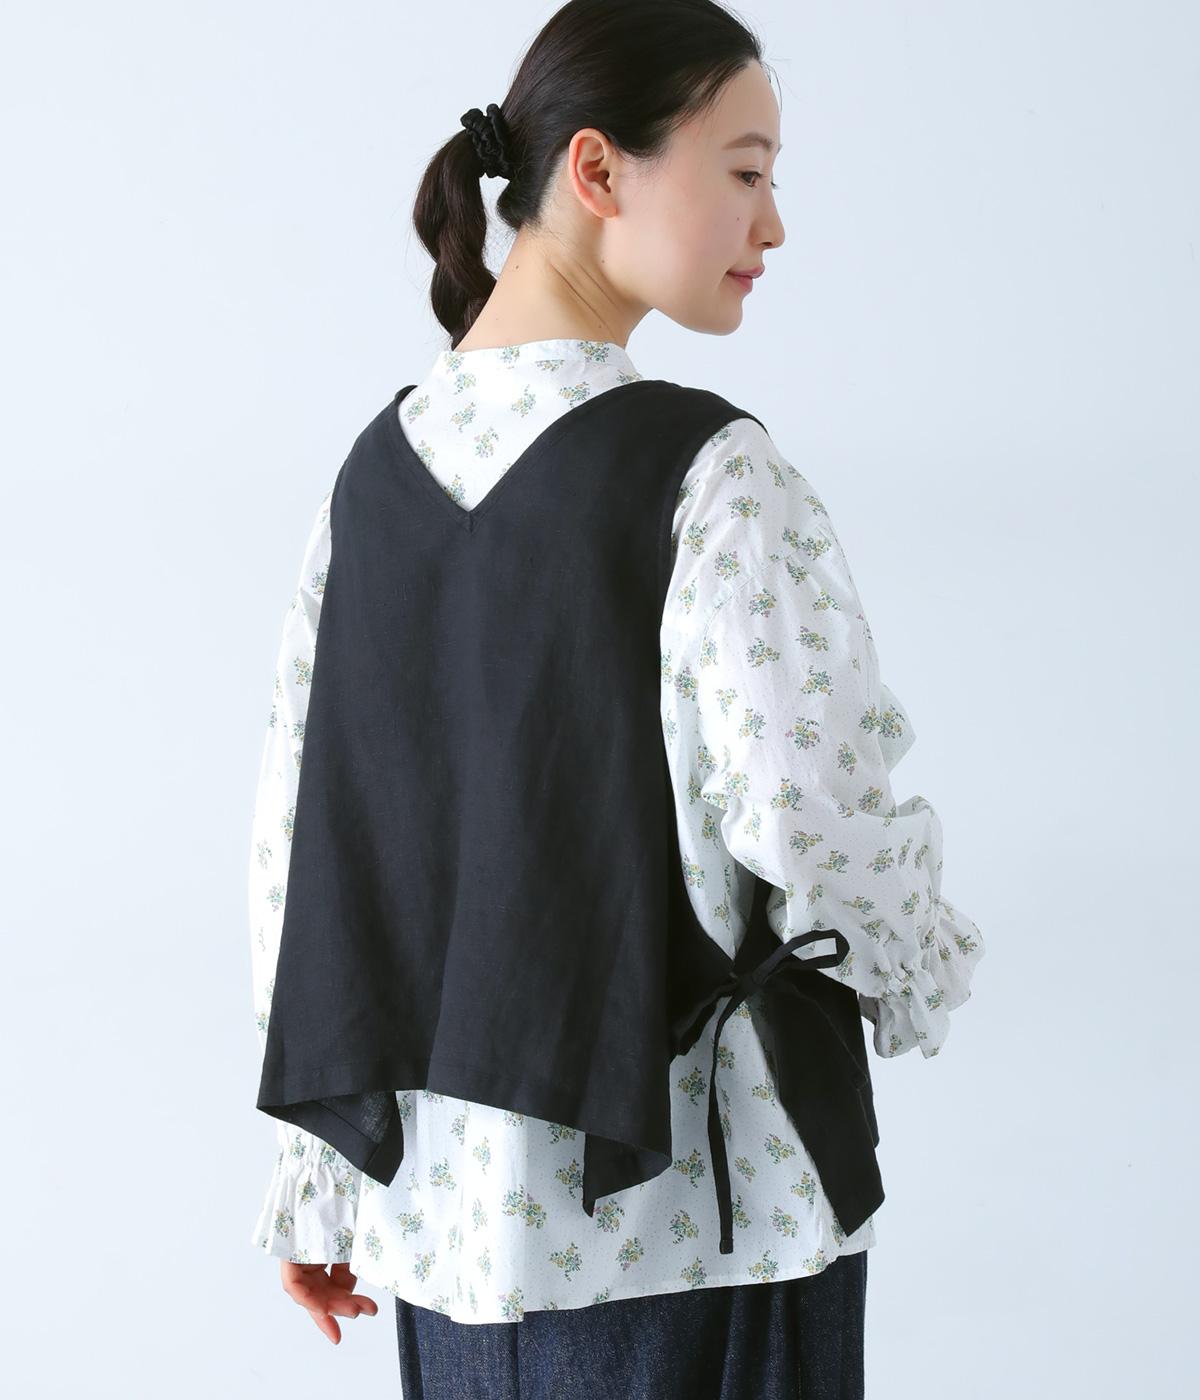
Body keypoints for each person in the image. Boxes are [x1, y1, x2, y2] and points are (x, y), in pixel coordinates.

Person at [246, 2, 985, 1395]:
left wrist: (313, 1178)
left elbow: (303, 863)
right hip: (698, 1217)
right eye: (747, 171)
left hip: (444, 1225)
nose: (773, 226)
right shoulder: (709, 473)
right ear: (596, 169)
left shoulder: (369, 486)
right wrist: (924, 958)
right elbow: (810, 817)